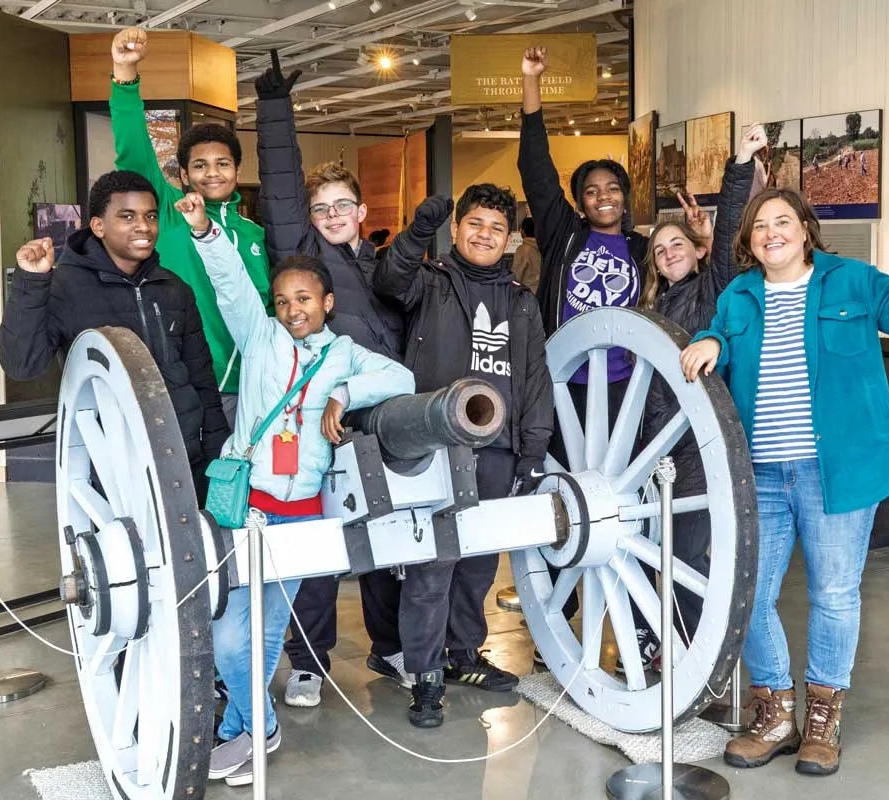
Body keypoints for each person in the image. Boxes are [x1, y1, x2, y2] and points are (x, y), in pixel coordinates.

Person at [679, 188, 889, 777]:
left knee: (833, 595)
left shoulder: (852, 281)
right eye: (760, 226)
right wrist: (710, 339)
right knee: (749, 595)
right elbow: (722, 342)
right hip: (759, 472)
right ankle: (775, 710)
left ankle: (823, 718)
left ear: (805, 230)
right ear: (749, 240)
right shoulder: (740, 293)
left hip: (835, 471)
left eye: (783, 221)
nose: (771, 232)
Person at [178, 190, 414, 788]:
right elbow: (231, 283)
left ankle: (242, 732)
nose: (293, 309)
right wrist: (205, 231)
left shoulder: (343, 354)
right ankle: (259, 728)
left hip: (302, 516)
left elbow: (402, 376)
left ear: (327, 302)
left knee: (260, 634)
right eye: (283, 301)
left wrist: (344, 394)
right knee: (231, 631)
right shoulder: (259, 338)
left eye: (304, 299)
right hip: (248, 510)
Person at [251, 50, 412, 707]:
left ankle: (391, 642)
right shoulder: (306, 256)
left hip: (376, 411)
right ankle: (309, 660)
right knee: (316, 546)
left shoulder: (382, 262)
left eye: (344, 205)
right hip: (322, 422)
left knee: (384, 539)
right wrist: (274, 112)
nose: (334, 214)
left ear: (362, 208)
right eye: (323, 208)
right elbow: (284, 191)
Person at [373, 185, 553, 728]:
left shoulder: (521, 299)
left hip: (498, 448)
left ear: (508, 238)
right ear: (457, 230)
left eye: (496, 228)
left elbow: (534, 377)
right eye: (474, 224)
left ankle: (461, 655)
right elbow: (388, 280)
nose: (483, 235)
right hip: (437, 444)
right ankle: (424, 676)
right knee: (433, 566)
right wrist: (417, 231)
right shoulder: (430, 280)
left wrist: (534, 448)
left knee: (477, 564)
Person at [518, 45, 653, 659]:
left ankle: (636, 618)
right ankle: (557, 606)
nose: (603, 196)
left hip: (624, 387)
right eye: (592, 190)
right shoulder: (565, 234)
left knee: (630, 502)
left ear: (625, 196)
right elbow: (536, 168)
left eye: (612, 188)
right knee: (563, 494)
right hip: (568, 385)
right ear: (579, 200)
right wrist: (531, 87)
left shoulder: (644, 247)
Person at [0, 170, 229, 500]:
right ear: (98, 226)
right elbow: (22, 364)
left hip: (183, 454)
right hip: (108, 463)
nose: (144, 227)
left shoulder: (175, 289)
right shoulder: (64, 286)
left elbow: (201, 377)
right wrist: (32, 283)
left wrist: (217, 447)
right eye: (127, 216)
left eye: (150, 216)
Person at [637, 124, 764, 641]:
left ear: (697, 250)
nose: (668, 251)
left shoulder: (715, 291)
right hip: (652, 452)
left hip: (695, 446)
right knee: (653, 549)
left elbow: (731, 222)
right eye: (659, 249)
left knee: (683, 553)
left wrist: (739, 164)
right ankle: (664, 641)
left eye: (677, 243)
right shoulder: (647, 312)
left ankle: (702, 649)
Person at [109, 26, 271, 424]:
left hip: (249, 384)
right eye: (200, 165)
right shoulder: (170, 212)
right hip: (183, 379)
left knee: (240, 480)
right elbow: (134, 151)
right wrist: (124, 75)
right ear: (183, 174)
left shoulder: (254, 235)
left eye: (223, 164)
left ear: (237, 169)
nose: (212, 174)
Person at [511, 217, 541, 292]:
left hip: (527, 293)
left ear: (523, 231)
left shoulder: (523, 250)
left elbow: (516, 275)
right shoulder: (544, 248)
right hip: (543, 293)